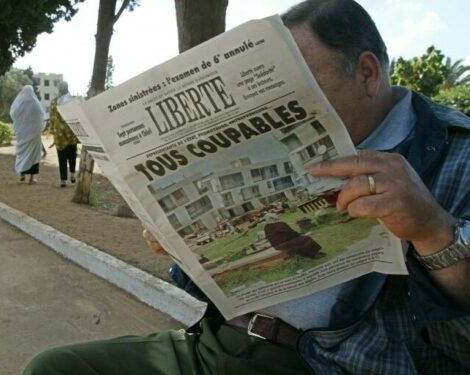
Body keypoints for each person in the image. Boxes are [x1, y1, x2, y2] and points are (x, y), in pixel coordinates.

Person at [23, 0, 470, 374]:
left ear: (367, 73)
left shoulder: (456, 152)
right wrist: (182, 246)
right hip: (218, 344)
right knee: (54, 368)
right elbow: (219, 282)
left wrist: (434, 232)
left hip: (331, 365)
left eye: (301, 90)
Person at [10, 85, 46, 184]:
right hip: (34, 135)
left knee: (22, 155)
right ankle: (32, 178)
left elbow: (13, 114)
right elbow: (42, 117)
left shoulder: (19, 105)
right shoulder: (35, 104)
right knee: (34, 156)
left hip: (22, 135)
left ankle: (22, 174)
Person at [49, 81, 79, 188]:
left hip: (60, 133)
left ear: (59, 89)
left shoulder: (54, 102)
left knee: (61, 156)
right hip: (71, 132)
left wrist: (52, 131)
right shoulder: (72, 101)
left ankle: (63, 180)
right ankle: (72, 174)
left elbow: (52, 117)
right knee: (72, 154)